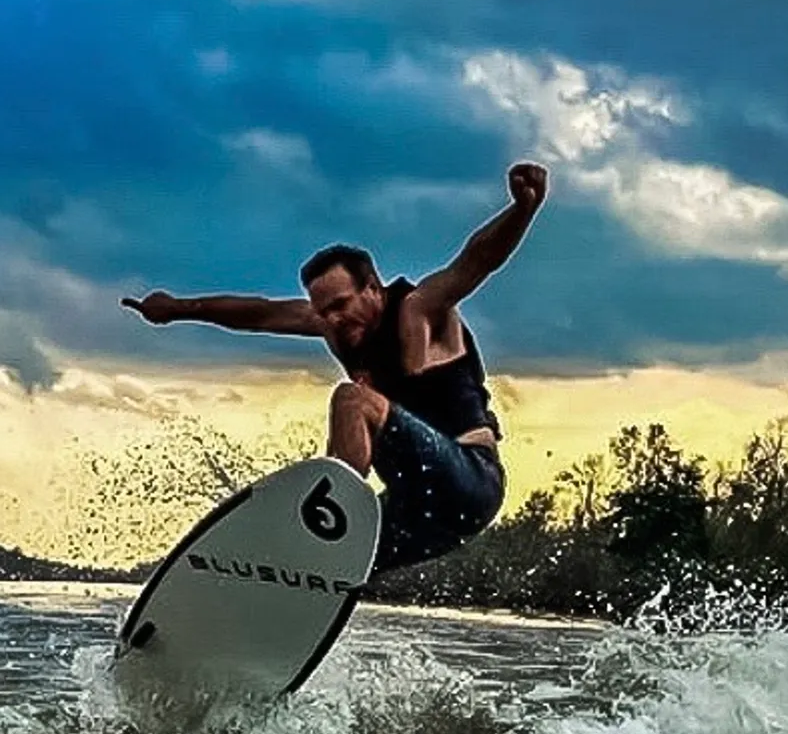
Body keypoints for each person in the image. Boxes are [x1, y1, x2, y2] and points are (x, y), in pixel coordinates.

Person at [122, 161, 549, 575]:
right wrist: (179, 308)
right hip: (414, 507)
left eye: (341, 306)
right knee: (319, 568)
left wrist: (523, 209)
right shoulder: (331, 325)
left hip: (469, 483)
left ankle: (330, 516)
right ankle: (272, 621)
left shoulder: (420, 310)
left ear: (372, 288)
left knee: (352, 401)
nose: (333, 320)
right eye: (323, 311)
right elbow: (260, 314)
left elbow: (475, 261)